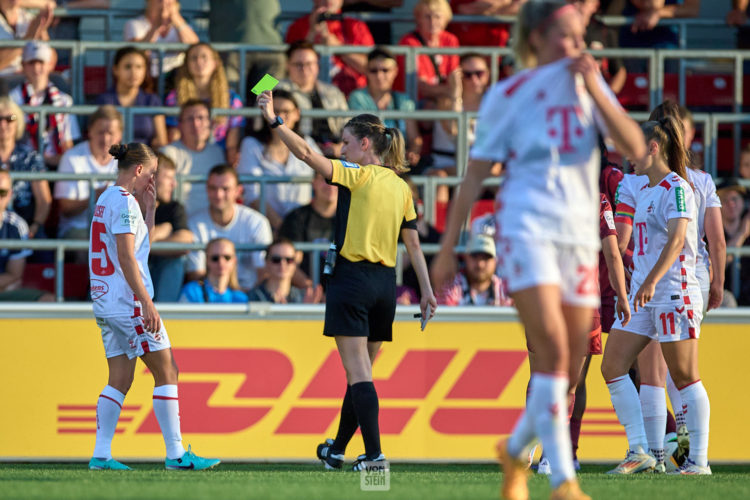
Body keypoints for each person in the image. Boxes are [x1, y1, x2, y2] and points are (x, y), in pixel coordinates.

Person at [430, 2, 644, 498]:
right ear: (539, 38)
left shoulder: (588, 89)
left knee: (567, 365)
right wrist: (448, 248)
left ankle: (514, 450)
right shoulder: (509, 94)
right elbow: (474, 176)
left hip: (577, 237)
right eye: (568, 35)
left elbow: (633, 146)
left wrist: (595, 87)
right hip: (525, 228)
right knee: (550, 348)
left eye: (580, 36)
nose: (577, 45)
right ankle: (563, 479)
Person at [258, 92, 437, 470]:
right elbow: (415, 249)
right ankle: (338, 449)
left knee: (358, 374)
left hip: (352, 281)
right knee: (361, 376)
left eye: (346, 142)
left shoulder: (356, 175)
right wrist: (427, 292)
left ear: (366, 144)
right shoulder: (402, 188)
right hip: (385, 286)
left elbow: (306, 154)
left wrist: (275, 121)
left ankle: (374, 456)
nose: (342, 148)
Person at [87, 142, 218, 470]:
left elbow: (136, 245)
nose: (155, 180)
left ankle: (101, 455)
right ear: (140, 170)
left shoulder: (107, 197)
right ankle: (176, 455)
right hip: (128, 302)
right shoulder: (124, 202)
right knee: (168, 370)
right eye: (154, 173)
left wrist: (150, 210)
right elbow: (127, 256)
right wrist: (146, 303)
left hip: (106, 300)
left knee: (120, 378)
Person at [603, 116, 711, 475]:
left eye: (633, 149)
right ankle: (640, 450)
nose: (627, 157)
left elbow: (679, 239)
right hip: (644, 296)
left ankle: (698, 459)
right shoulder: (644, 188)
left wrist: (649, 281)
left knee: (684, 375)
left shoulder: (676, 187)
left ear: (653, 148)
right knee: (613, 365)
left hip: (672, 292)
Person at [237, 89, 316, 231]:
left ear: (297, 114)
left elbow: (322, 179)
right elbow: (252, 194)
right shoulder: (251, 144)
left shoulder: (308, 143)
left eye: (286, 111)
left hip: (303, 227)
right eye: (275, 111)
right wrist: (282, 227)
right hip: (263, 228)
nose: (280, 116)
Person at [186, 164, 273, 291]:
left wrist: (240, 298)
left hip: (250, 296)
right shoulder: (194, 223)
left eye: (225, 189)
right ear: (207, 189)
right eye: (213, 188)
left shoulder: (257, 222)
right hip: (210, 299)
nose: (219, 194)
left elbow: (264, 272)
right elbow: (196, 274)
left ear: (238, 191)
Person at [165, 43, 244, 164]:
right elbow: (174, 134)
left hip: (220, 157)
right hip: (185, 154)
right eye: (193, 58)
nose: (199, 61)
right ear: (187, 65)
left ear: (215, 63)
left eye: (204, 57)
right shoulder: (174, 97)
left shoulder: (232, 99)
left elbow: (232, 144)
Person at [54, 105, 121, 240]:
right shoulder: (72, 158)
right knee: (95, 245)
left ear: (120, 135)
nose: (106, 138)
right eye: (100, 132)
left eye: (111, 133)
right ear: (90, 131)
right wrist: (96, 196)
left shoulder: (127, 160)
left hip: (116, 230)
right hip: (78, 228)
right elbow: (66, 209)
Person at [348, 47, 422, 167]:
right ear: (366, 71)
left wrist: (413, 152)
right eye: (374, 70)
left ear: (395, 71)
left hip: (398, 165)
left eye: (385, 70)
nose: (379, 75)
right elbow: (359, 138)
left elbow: (415, 138)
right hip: (368, 165)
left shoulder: (405, 101)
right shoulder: (357, 98)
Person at [9, 40, 80, 168]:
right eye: (31, 63)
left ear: (50, 65)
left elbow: (68, 142)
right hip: (24, 164)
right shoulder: (12, 99)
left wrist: (63, 164)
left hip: (57, 165)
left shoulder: (64, 100)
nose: (36, 68)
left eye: (41, 62)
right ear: (23, 65)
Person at [285, 0, 374, 96]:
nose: (328, 0)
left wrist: (338, 48)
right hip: (304, 93)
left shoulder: (356, 26)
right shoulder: (298, 26)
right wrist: (311, 34)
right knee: (272, 77)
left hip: (352, 95)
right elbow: (285, 66)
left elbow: (371, 68)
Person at [276, 41, 349, 158]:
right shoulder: (275, 87)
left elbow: (348, 124)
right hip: (296, 154)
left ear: (317, 65)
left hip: (333, 154)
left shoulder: (333, 91)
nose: (304, 69)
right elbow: (255, 94)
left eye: (309, 64)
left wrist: (341, 147)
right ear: (287, 65)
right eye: (298, 64)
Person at [159, 100, 226, 217]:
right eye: (190, 119)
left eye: (201, 118)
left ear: (210, 123)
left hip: (210, 222)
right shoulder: (168, 153)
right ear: (179, 125)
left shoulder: (217, 153)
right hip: (178, 222)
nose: (196, 124)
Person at [96, 46, 167, 148]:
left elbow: (162, 142)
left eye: (139, 67)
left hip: (144, 160)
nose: (133, 72)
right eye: (127, 67)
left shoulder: (152, 101)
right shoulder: (104, 101)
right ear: (115, 70)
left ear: (145, 70)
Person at [0, 169, 54, 301]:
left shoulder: (17, 225)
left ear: (10, 195)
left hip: (4, 293)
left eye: (2, 192)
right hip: (4, 287)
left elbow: (14, 274)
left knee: (48, 301)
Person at [0, 96, 50, 237]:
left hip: (27, 226)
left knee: (46, 256)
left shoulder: (31, 157)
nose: (3, 124)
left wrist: (34, 227)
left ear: (18, 123)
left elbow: (43, 200)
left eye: (10, 119)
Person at [278, 171, 337, 285]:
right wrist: (312, 289)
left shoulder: (352, 220)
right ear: (313, 182)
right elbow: (290, 262)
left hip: (342, 292)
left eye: (336, 180)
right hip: (304, 294)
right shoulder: (295, 218)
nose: (331, 185)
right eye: (325, 179)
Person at [148, 153, 193, 302]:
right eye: (168, 178)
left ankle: (163, 317)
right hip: (129, 273)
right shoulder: (126, 203)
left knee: (176, 261)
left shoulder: (173, 208)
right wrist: (160, 231)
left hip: (157, 272)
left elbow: (185, 242)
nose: (174, 184)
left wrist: (144, 244)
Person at [397, 0, 460, 101]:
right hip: (414, 101)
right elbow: (422, 87)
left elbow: (454, 75)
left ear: (446, 19)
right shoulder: (408, 42)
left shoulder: (450, 40)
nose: (433, 22)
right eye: (427, 16)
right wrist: (450, 91)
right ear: (418, 19)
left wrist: (452, 91)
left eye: (437, 16)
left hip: (443, 100)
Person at [123, 0, 199, 79]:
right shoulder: (134, 24)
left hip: (178, 75)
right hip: (148, 76)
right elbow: (136, 53)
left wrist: (176, 19)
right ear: (148, 3)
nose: (164, 6)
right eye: (160, 1)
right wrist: (156, 26)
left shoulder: (182, 26)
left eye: (169, 3)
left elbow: (195, 48)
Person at [437, 234, 512, 306]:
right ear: (465, 258)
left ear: (495, 261)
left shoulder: (507, 290)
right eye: (475, 256)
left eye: (486, 258)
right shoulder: (449, 286)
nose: (480, 264)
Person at [248, 238, 318, 303]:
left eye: (289, 260)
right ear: (266, 262)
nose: (282, 264)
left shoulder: (304, 298)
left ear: (295, 264)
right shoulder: (252, 297)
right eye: (276, 260)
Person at [179, 237, 247, 303]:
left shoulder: (240, 297)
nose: (221, 262)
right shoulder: (192, 290)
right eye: (215, 258)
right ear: (207, 260)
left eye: (227, 257)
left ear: (234, 260)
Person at [0, 0, 54, 81]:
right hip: (4, 79)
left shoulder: (28, 17)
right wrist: (28, 38)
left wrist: (42, 31)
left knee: (57, 80)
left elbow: (51, 62)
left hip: (30, 77)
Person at [718, 178, 750, 305]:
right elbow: (714, 270)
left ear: (743, 202)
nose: (731, 204)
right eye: (725, 200)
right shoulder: (709, 234)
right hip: (722, 297)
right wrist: (742, 234)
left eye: (735, 199)